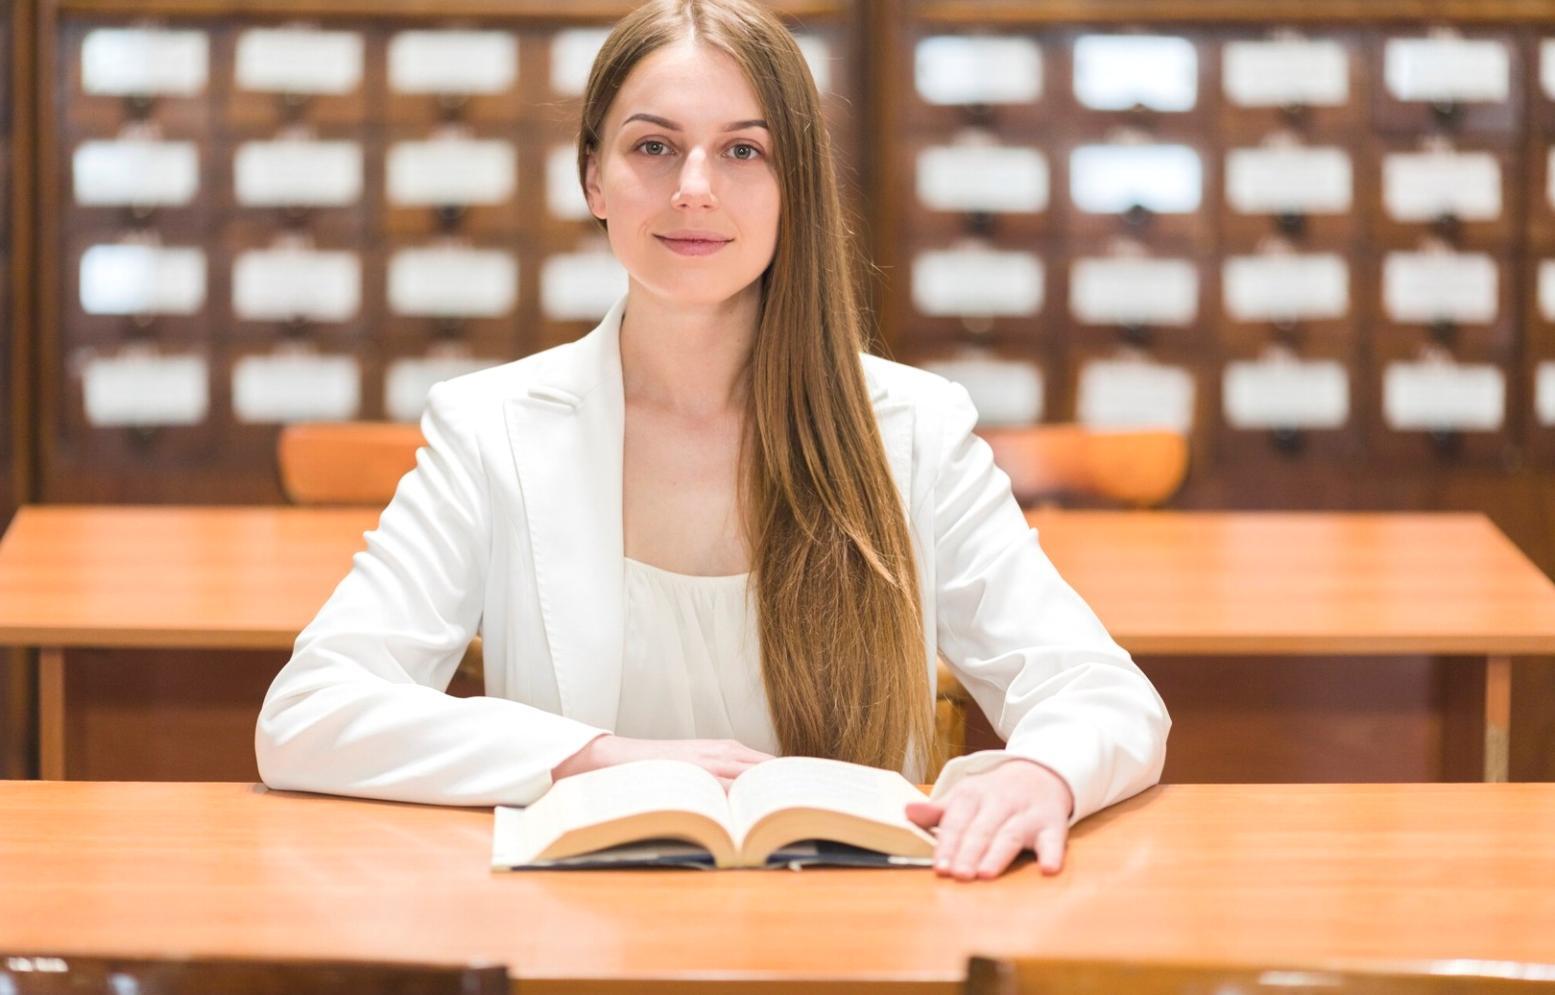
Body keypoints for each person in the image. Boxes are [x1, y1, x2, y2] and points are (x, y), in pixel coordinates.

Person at [256, 0, 1169, 882]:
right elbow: (309, 710)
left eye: (743, 150)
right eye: (653, 146)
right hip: (580, 931)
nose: (694, 188)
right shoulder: (490, 427)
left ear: (793, 184)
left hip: (859, 936)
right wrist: (589, 757)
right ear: (592, 179)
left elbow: (1100, 692)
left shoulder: (914, 432)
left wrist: (1038, 772)